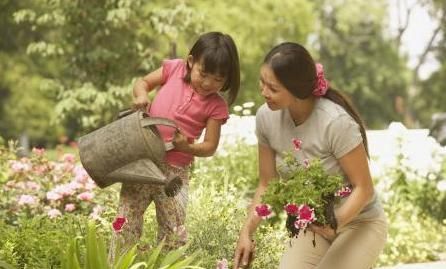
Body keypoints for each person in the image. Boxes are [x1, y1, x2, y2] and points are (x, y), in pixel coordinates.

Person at [233, 42, 387, 269]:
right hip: (315, 226)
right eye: (262, 82)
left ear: (297, 91)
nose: (264, 92)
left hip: (360, 223)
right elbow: (267, 182)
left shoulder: (335, 122)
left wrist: (335, 224)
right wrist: (246, 231)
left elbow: (364, 188)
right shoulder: (266, 118)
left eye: (273, 88)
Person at [109, 31, 240, 259]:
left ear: (228, 78)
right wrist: (141, 96)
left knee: (173, 232)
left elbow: (210, 146)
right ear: (190, 62)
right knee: (126, 222)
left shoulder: (216, 106)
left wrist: (187, 148)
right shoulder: (175, 69)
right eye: (204, 74)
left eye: (218, 79)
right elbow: (143, 83)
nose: (209, 83)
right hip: (143, 160)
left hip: (174, 174)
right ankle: (118, 264)